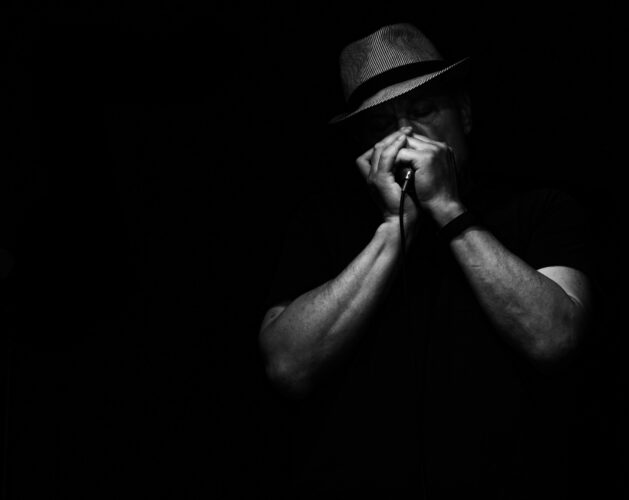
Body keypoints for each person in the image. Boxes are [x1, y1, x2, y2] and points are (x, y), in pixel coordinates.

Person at [258, 23, 594, 498]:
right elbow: (288, 366)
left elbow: (556, 338)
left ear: (466, 115)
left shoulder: (542, 210)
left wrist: (447, 209)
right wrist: (395, 229)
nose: (404, 136)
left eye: (423, 111)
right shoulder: (320, 225)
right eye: (380, 126)